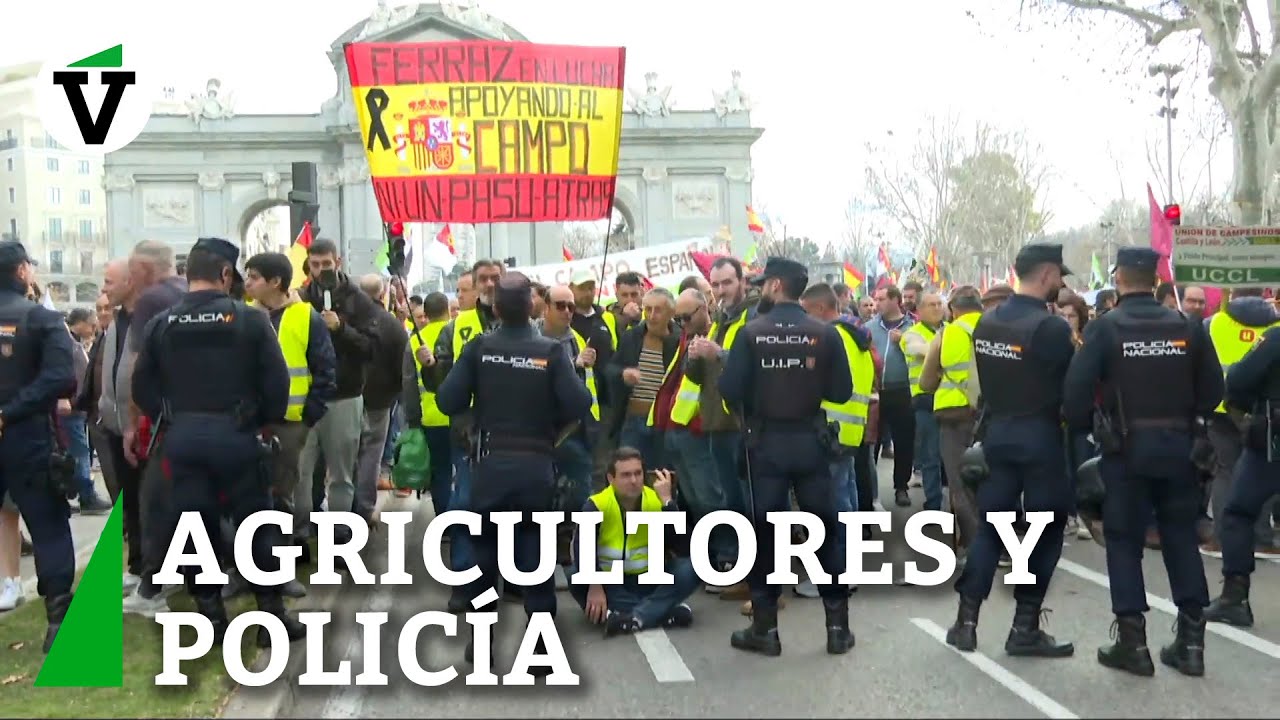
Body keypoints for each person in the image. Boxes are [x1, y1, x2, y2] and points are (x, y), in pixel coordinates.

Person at [132, 237, 306, 647]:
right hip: (238, 436)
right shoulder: (250, 321)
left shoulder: (162, 324)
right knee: (256, 528)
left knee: (194, 531)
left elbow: (142, 387)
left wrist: (175, 415)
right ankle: (272, 619)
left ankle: (213, 620)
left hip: (184, 440)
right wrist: (258, 420)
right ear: (226, 275)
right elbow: (277, 384)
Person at [1063, 247, 1221, 677]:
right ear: (1155, 279)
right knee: (1180, 539)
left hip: (1126, 451)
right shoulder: (1188, 327)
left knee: (1123, 542)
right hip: (1180, 449)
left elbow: (1075, 395)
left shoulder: (1105, 329)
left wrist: (1087, 428)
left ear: (1117, 279)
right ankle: (1191, 643)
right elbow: (1214, 391)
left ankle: (1133, 643)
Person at [430, 272, 593, 667]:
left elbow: (448, 399)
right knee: (535, 558)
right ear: (533, 306)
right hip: (536, 468)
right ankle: (540, 651)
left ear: (496, 308)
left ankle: (482, 643)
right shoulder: (551, 352)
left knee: (486, 557)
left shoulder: (479, 348)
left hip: (491, 467)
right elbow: (579, 404)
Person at [718, 257, 854, 657]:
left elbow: (730, 389)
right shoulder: (824, 333)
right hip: (810, 442)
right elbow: (841, 392)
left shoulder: (751, 333)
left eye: (763, 283)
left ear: (777, 285)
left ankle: (766, 629)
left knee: (766, 535)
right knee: (824, 531)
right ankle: (837, 629)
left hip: (767, 444)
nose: (759, 289)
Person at [946, 243, 1076, 658]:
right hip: (1039, 437)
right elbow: (1069, 391)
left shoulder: (988, 321)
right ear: (1046, 274)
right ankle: (1025, 626)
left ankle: (966, 621)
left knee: (992, 527)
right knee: (1045, 530)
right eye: (1059, 275)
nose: (1062, 283)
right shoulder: (1051, 328)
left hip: (998, 435)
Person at [236, 251, 338, 597]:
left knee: (282, 497)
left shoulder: (304, 316)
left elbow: (325, 370)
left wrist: (309, 416)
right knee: (245, 497)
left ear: (275, 282)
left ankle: (281, 571)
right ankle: (244, 569)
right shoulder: (242, 317)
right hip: (248, 423)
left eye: (253, 276)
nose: (247, 282)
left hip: (290, 425)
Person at [0, 241, 77, 652]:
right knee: (48, 525)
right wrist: (9, 412)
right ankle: (59, 621)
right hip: (26, 435)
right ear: (22, 272)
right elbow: (60, 379)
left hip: (20, 429)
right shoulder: (42, 319)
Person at [426, 259, 503, 612]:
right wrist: (432, 368)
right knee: (465, 506)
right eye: (482, 279)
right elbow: (441, 387)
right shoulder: (454, 329)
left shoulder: (525, 323)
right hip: (469, 436)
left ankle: (511, 578)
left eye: (494, 278)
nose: (489, 284)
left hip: (513, 434)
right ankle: (463, 582)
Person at [296, 239, 381, 545]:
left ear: (338, 262)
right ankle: (300, 534)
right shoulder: (301, 298)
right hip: (307, 396)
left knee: (342, 472)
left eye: (326, 264)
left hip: (345, 395)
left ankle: (341, 533)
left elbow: (372, 347)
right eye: (315, 264)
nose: (320, 271)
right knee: (302, 471)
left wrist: (340, 328)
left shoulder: (358, 299)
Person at [570, 447, 696, 635]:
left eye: (638, 473)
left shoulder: (656, 499)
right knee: (574, 577)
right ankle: (663, 612)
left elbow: (684, 547)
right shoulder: (596, 505)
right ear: (611, 479)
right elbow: (583, 550)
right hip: (612, 583)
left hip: (650, 580)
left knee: (692, 568)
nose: (634, 481)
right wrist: (594, 587)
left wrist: (668, 503)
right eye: (626, 475)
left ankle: (631, 617)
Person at [1203, 322, 1280, 628]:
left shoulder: (1275, 338)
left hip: (1272, 444)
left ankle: (1235, 597)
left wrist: (1249, 409)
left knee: (1238, 511)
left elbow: (1239, 379)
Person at [1202, 287, 1280, 558]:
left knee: (1225, 472)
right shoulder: (1276, 325)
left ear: (1232, 293)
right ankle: (1262, 537)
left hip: (1221, 408)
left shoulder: (1212, 324)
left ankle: (1222, 537)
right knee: (1265, 471)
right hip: (1265, 414)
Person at [400, 292, 454, 519]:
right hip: (460, 414)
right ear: (448, 311)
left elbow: (409, 384)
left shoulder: (414, 342)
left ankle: (445, 520)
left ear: (427, 314)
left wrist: (412, 420)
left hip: (431, 418)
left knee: (440, 472)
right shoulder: (455, 334)